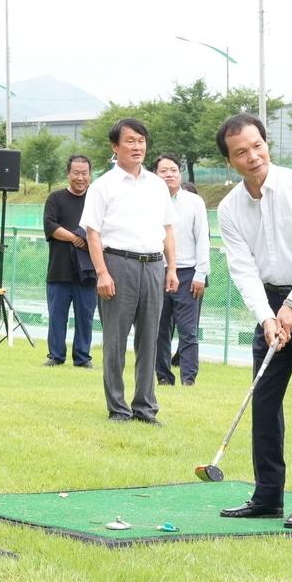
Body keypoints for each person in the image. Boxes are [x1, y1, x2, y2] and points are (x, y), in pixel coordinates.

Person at [215, 114, 292, 529]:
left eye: (257, 146)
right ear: (230, 161)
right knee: (265, 402)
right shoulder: (230, 208)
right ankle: (268, 495)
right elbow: (242, 269)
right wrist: (267, 318)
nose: (253, 156)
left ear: (266, 143)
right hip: (271, 306)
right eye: (241, 152)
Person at [83, 118, 177, 424]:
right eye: (130, 141)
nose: (137, 147)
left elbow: (168, 229)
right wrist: (102, 273)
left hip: (154, 265)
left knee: (150, 340)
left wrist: (172, 268)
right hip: (118, 264)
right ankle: (118, 408)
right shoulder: (103, 186)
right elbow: (93, 233)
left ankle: (145, 408)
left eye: (141, 141)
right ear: (115, 146)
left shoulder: (157, 185)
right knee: (115, 340)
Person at [154, 153, 209, 386]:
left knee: (188, 330)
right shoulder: (149, 201)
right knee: (159, 329)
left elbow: (202, 238)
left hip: (188, 273)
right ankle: (163, 377)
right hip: (157, 270)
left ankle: (188, 378)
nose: (169, 174)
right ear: (155, 175)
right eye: (163, 171)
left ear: (180, 173)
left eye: (173, 170)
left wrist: (201, 273)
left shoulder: (194, 202)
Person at [42, 155, 97, 368]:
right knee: (57, 316)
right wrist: (76, 238)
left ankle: (82, 358)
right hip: (59, 270)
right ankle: (56, 356)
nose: (80, 178)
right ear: (68, 174)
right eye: (76, 173)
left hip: (88, 272)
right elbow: (50, 226)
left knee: (85, 317)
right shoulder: (55, 198)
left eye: (84, 173)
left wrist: (89, 241)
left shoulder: (96, 199)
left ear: (90, 175)